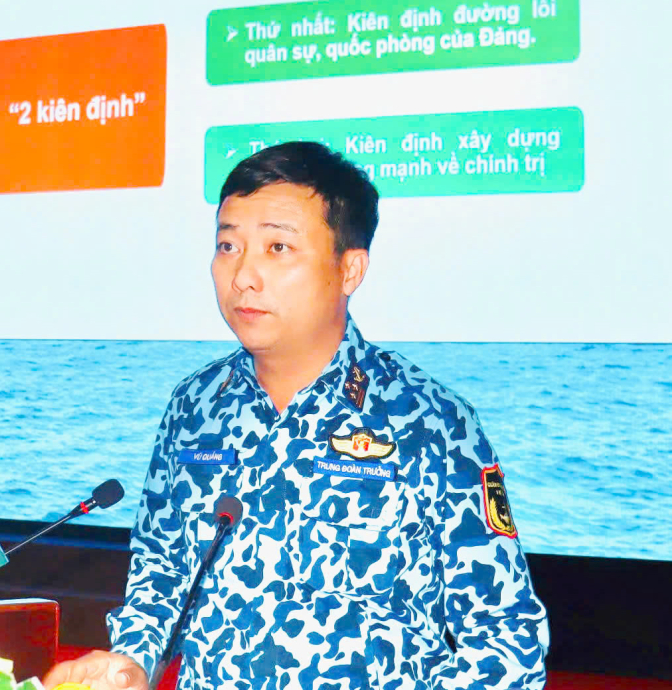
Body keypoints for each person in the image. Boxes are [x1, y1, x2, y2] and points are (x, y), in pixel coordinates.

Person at [45, 141, 548, 690]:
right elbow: (161, 574)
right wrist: (133, 661)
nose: (244, 275)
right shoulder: (194, 406)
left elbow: (506, 640)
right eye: (228, 246)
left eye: (278, 247)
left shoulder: (431, 421)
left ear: (349, 269)